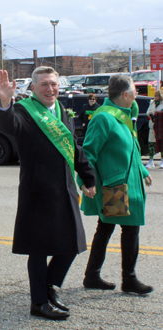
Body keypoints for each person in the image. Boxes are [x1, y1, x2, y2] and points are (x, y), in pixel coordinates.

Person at [0, 67, 96, 320]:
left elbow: (73, 146)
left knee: (72, 243)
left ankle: (49, 287)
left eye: (53, 84)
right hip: (38, 191)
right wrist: (5, 102)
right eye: (44, 85)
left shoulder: (60, 110)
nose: (50, 89)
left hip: (65, 188)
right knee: (38, 249)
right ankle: (38, 302)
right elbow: (10, 125)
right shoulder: (25, 111)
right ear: (34, 88)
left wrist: (88, 176)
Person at [79, 74, 154, 295]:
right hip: (116, 187)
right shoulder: (104, 118)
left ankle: (92, 275)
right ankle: (128, 279)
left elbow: (129, 149)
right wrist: (85, 180)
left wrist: (141, 169)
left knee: (107, 228)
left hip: (126, 183)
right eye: (134, 92)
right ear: (124, 95)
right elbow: (88, 153)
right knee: (128, 229)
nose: (136, 96)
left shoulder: (120, 115)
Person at [145, 90, 163, 168]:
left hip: (160, 127)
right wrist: (150, 114)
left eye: (157, 96)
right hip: (152, 126)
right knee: (151, 144)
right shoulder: (152, 103)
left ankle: (162, 161)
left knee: (162, 145)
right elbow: (147, 112)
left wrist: (159, 114)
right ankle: (151, 161)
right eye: (155, 96)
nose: (156, 97)